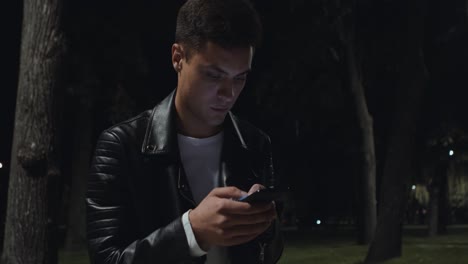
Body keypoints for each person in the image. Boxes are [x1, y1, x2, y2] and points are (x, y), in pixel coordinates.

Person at [86, 0, 284, 263]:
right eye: (214, 75)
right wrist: (192, 232)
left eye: (240, 78)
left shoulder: (254, 144)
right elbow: (106, 259)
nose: (229, 94)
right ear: (178, 58)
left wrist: (264, 227)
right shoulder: (121, 146)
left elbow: (270, 255)